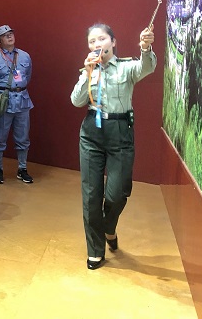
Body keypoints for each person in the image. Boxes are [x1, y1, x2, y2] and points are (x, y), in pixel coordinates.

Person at [70, 23, 156, 270]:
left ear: (113, 42)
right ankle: (95, 250)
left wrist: (145, 47)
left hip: (120, 132)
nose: (97, 44)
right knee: (91, 194)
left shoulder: (127, 67)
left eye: (102, 39)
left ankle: (109, 227)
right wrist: (87, 73)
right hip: (91, 133)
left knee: (117, 193)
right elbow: (76, 101)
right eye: (92, 41)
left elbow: (147, 67)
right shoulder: (89, 69)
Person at [0, 25, 34, 184]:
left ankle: (22, 168)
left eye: (11, 33)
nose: (10, 36)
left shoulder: (25, 56)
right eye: (5, 35)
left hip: (22, 100)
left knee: (23, 138)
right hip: (3, 101)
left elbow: (28, 76)